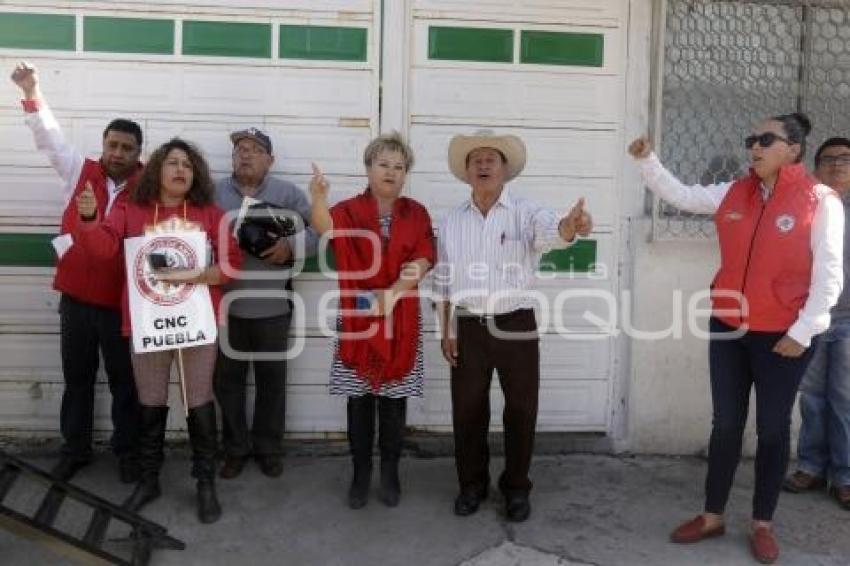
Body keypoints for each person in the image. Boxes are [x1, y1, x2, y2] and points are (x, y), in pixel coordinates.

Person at [628, 113, 844, 564]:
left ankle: (762, 523)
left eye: (766, 139)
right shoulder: (734, 190)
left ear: (794, 149)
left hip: (783, 337)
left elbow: (829, 277)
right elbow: (682, 196)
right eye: (751, 139)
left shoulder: (819, 200)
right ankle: (712, 515)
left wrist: (803, 332)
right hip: (729, 328)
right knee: (725, 425)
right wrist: (647, 160)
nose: (755, 147)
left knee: (771, 429)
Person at [73, 138, 242, 524]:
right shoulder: (131, 211)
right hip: (149, 322)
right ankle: (149, 480)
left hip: (197, 324)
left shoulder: (211, 214)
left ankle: (204, 482)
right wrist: (88, 220)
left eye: (187, 164)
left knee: (198, 399)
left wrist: (191, 274)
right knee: (149, 400)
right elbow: (101, 248)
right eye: (173, 163)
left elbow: (232, 267)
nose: (181, 169)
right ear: (157, 171)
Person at [434, 130, 592, 523]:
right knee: (467, 412)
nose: (484, 164)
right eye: (476, 160)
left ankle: (516, 488)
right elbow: (442, 278)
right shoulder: (452, 220)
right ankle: (471, 485)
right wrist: (445, 328)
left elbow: (553, 231)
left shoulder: (525, 212)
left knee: (521, 410)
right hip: (469, 326)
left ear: (505, 170)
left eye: (492, 159)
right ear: (467, 172)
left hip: (516, 325)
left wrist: (571, 226)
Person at [10, 61, 142, 483]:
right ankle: (76, 450)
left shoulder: (150, 188)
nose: (117, 153)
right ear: (103, 145)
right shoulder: (78, 171)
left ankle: (128, 453)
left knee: (125, 383)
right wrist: (32, 90)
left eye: (126, 147)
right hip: (76, 301)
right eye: (112, 145)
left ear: (139, 153)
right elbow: (48, 137)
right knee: (78, 379)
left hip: (121, 306)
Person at [309, 132, 435, 509]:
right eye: (384, 164)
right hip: (358, 317)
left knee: (394, 403)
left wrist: (392, 293)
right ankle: (361, 473)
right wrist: (318, 197)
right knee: (359, 401)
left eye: (399, 167)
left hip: (401, 318)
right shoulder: (348, 209)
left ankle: (391, 472)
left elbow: (425, 258)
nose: (391, 172)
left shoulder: (417, 213)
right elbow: (324, 228)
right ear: (368, 167)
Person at [213, 128, 318, 479]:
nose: (246, 154)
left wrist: (291, 246)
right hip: (224, 308)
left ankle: (268, 449)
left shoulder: (288, 194)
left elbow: (318, 230)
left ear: (270, 160)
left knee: (272, 381)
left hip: (273, 307)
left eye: (255, 149)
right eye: (240, 149)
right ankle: (234, 449)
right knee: (228, 382)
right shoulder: (212, 193)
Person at [783, 137, 850, 511]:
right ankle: (810, 465)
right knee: (811, 399)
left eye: (845, 159)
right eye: (829, 160)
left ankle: (845, 475)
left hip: (849, 321)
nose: (838, 166)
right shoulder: (810, 208)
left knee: (845, 399)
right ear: (816, 168)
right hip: (811, 319)